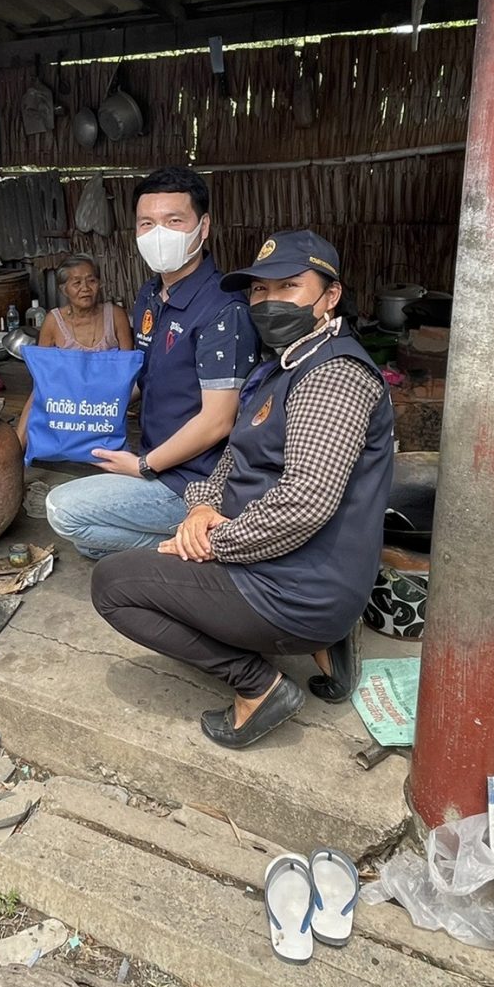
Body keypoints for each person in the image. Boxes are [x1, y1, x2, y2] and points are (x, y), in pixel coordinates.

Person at [88, 230, 395, 749]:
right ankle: (328, 646)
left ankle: (258, 685)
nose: (269, 302)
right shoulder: (284, 362)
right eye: (259, 291)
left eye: (289, 287)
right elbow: (236, 453)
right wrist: (201, 508)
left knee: (113, 585)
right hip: (288, 568)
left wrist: (210, 543)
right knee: (158, 548)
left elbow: (305, 503)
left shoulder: (333, 376)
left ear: (330, 296)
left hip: (295, 586)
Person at [43, 167, 257, 557]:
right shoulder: (150, 294)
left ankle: (205, 543)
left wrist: (143, 466)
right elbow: (145, 376)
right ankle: (183, 546)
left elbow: (218, 420)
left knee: (62, 510)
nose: (159, 233)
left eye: (174, 220)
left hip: (195, 481)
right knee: (87, 538)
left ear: (203, 227)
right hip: (158, 460)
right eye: (147, 223)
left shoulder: (224, 310)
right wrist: (85, 409)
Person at [37, 254, 134, 352]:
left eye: (91, 281)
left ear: (99, 284)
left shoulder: (116, 316)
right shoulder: (53, 321)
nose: (85, 288)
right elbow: (43, 364)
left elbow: (127, 362)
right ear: (64, 290)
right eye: (77, 283)